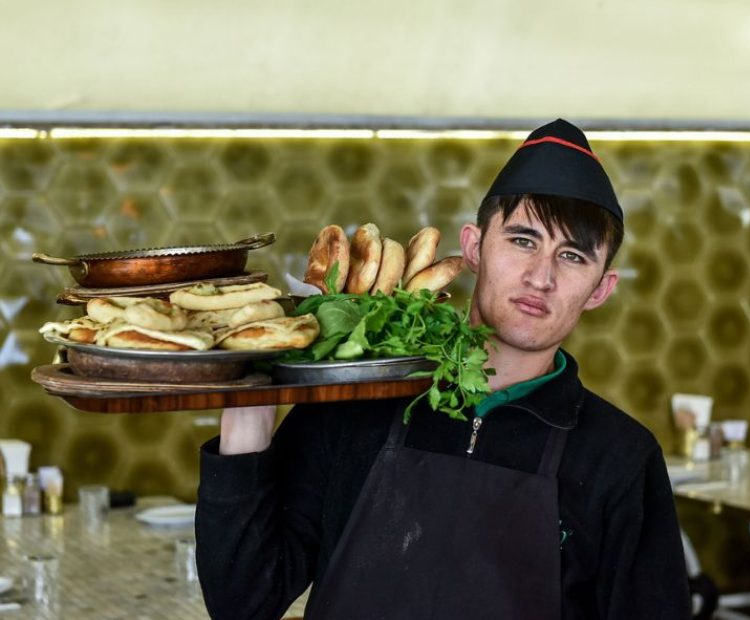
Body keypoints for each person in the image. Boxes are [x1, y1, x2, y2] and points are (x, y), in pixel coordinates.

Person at [195, 119, 691, 620]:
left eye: (572, 256)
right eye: (523, 241)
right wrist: (246, 410)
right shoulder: (356, 401)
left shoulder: (620, 459)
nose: (542, 277)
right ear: (475, 248)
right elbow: (243, 604)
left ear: (601, 289)